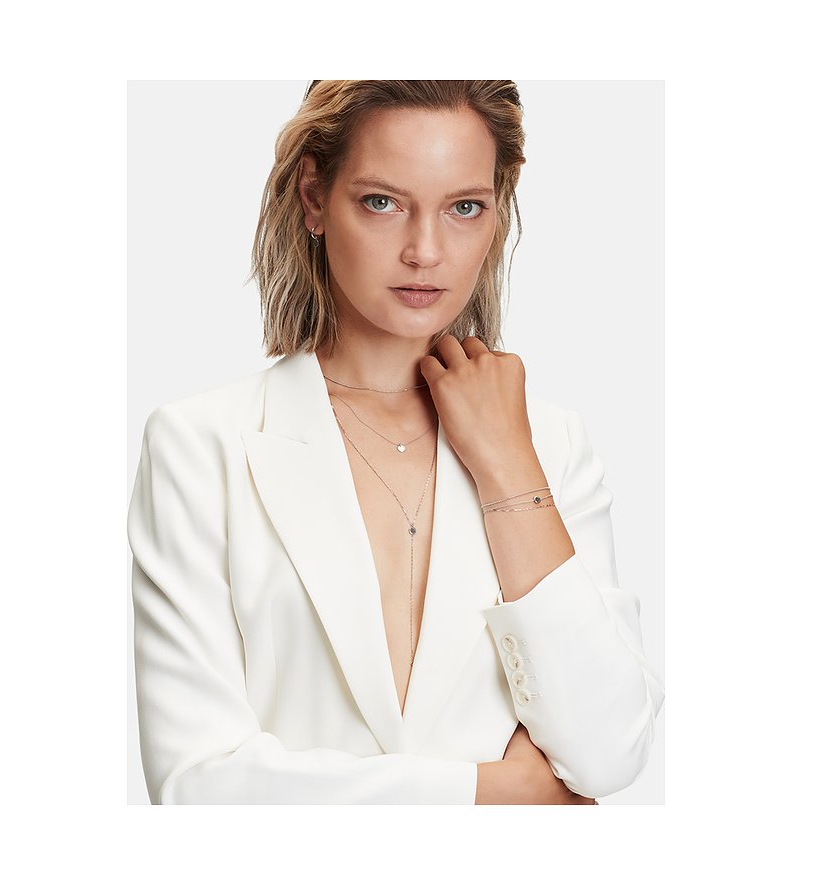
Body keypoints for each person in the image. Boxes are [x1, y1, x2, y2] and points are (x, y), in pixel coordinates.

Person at [127, 80, 665, 805]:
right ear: (314, 198)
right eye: (382, 202)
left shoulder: (551, 442)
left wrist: (509, 467)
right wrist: (492, 794)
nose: (425, 251)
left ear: (497, 212)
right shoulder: (201, 445)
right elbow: (197, 783)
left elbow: (609, 751)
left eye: (464, 207)